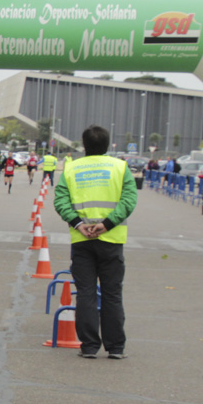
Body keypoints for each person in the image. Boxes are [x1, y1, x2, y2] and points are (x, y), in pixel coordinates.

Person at [53, 125, 137, 359]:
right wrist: (107, 224)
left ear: (84, 145)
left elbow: (60, 201)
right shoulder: (120, 168)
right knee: (112, 294)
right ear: (108, 145)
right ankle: (116, 348)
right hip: (111, 239)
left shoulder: (71, 168)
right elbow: (129, 200)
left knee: (86, 293)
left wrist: (79, 224)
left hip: (82, 240)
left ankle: (89, 346)